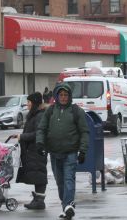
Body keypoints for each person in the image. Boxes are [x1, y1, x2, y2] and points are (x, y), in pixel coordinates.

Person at [36, 83, 89, 219]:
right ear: (56, 96)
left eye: (66, 95)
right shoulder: (50, 111)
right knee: (60, 182)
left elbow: (84, 132)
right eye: (61, 95)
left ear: (69, 96)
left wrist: (82, 151)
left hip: (70, 153)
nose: (64, 97)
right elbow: (41, 129)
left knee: (68, 180)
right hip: (54, 153)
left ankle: (68, 205)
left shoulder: (76, 111)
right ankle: (66, 206)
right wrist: (40, 144)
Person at [11, 91, 47, 210]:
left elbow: (38, 133)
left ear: (35, 103)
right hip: (32, 150)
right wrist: (19, 136)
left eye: (29, 102)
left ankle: (40, 201)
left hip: (37, 149)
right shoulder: (35, 115)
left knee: (39, 174)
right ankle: (37, 199)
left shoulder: (40, 115)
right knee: (36, 174)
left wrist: (22, 137)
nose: (27, 104)